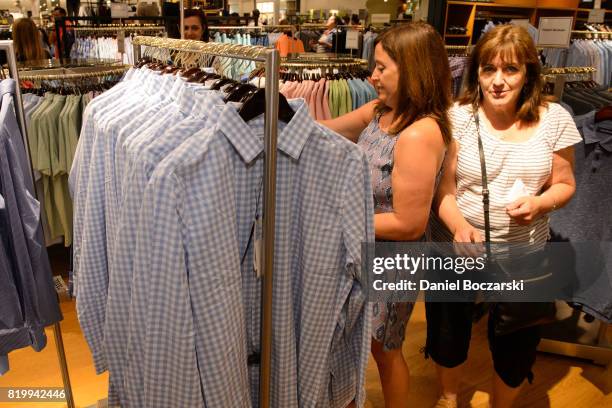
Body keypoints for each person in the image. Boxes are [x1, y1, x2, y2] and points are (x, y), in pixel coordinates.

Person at [429, 24, 581, 408]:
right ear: (475, 71)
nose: (497, 81)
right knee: (448, 335)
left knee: (516, 345)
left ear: (529, 72)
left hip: (524, 256)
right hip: (459, 252)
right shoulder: (457, 115)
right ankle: (449, 399)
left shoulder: (555, 118)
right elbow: (444, 191)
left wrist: (540, 203)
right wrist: (460, 226)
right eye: (488, 69)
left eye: (510, 70)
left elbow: (565, 184)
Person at [320, 22, 452, 408]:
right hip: (364, 247)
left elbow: (410, 224)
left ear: (412, 69)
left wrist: (338, 224)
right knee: (359, 342)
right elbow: (324, 130)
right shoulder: (381, 111)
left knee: (384, 350)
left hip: (393, 258)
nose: (372, 76)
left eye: (381, 68)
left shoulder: (419, 133)